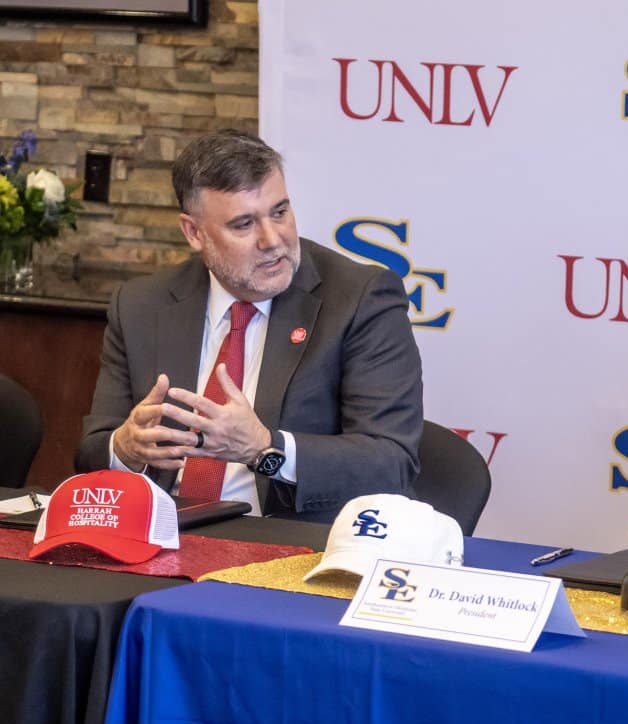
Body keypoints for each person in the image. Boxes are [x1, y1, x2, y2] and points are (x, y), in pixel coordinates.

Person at [76, 130, 423, 521]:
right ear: (194, 232)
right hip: (162, 531)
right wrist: (125, 449)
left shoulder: (360, 299)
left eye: (279, 212)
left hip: (290, 541)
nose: (272, 239)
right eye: (243, 224)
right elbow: (91, 453)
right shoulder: (140, 305)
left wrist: (264, 448)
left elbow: (391, 462)